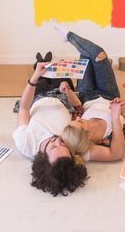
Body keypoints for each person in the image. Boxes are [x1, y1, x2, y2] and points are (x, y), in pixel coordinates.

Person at [52, 25, 125, 162]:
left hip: (87, 94)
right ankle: (68, 36)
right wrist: (121, 114)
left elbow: (79, 108)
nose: (77, 119)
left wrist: (68, 91)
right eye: (81, 123)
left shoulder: (76, 131)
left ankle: (68, 36)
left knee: (85, 57)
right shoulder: (108, 139)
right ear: (89, 135)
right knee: (99, 56)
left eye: (75, 121)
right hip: (109, 94)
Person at [12, 55, 88, 197]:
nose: (58, 140)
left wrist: (34, 78)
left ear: (42, 157)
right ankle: (47, 58)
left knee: (40, 69)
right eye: (64, 146)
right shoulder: (73, 143)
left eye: (53, 147)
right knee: (57, 68)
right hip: (63, 96)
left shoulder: (26, 143)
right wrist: (68, 92)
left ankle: (39, 60)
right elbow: (79, 110)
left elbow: (23, 108)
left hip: (39, 96)